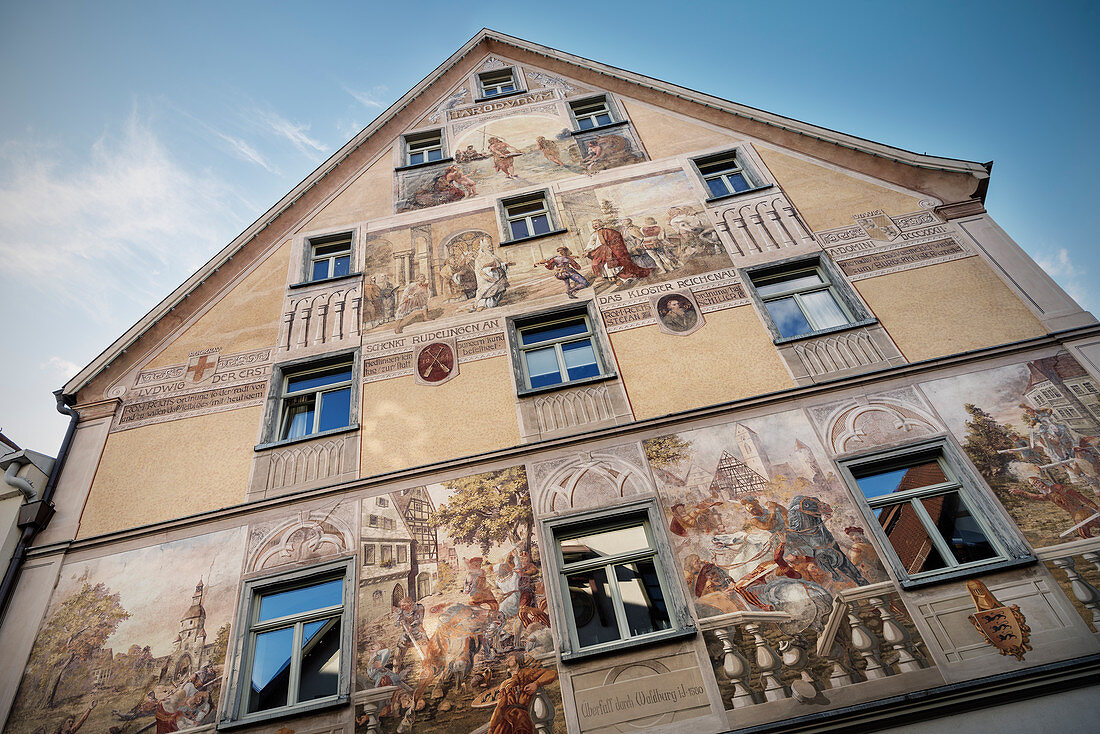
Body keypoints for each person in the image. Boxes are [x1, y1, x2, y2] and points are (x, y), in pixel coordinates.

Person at [486, 655, 558, 734]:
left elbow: (551, 673)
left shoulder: (526, 674)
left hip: (521, 719)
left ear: (517, 663)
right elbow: (500, 706)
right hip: (506, 721)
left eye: (510, 659)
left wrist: (536, 684)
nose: (507, 660)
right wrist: (491, 729)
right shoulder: (504, 684)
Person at [1011, 476, 1100, 538]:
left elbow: (1079, 496)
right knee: (1084, 534)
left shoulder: (1057, 487)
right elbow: (1036, 497)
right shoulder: (1047, 496)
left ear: (1042, 481)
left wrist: (1095, 507)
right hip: (1075, 514)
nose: (1037, 484)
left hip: (1082, 510)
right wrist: (1021, 492)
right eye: (1035, 484)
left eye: (1037, 482)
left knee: (1086, 530)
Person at [583, 219, 653, 284]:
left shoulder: (609, 231)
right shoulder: (594, 234)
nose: (595, 225)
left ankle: (621, 278)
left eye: (596, 223)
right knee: (600, 264)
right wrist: (587, 250)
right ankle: (611, 278)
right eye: (593, 224)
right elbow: (591, 243)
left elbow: (617, 237)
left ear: (601, 224)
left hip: (611, 251)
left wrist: (611, 247)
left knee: (613, 264)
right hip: (600, 251)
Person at [473, 237, 509, 310]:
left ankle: (492, 304)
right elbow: (481, 270)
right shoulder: (480, 258)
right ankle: (482, 305)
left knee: (499, 290)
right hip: (487, 279)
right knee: (487, 292)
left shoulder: (493, 256)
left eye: (490, 246)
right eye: (488, 246)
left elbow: (499, 264)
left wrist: (505, 264)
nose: (490, 248)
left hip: (498, 276)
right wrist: (491, 269)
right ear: (484, 248)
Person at [392, 596, 428, 669]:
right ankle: (396, 666)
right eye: (401, 606)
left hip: (418, 631)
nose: (402, 607)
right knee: (400, 646)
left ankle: (428, 661)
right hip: (406, 632)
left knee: (425, 645)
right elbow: (396, 623)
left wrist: (411, 625)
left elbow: (419, 620)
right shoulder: (401, 612)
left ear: (409, 603)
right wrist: (400, 623)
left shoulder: (419, 607)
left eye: (403, 605)